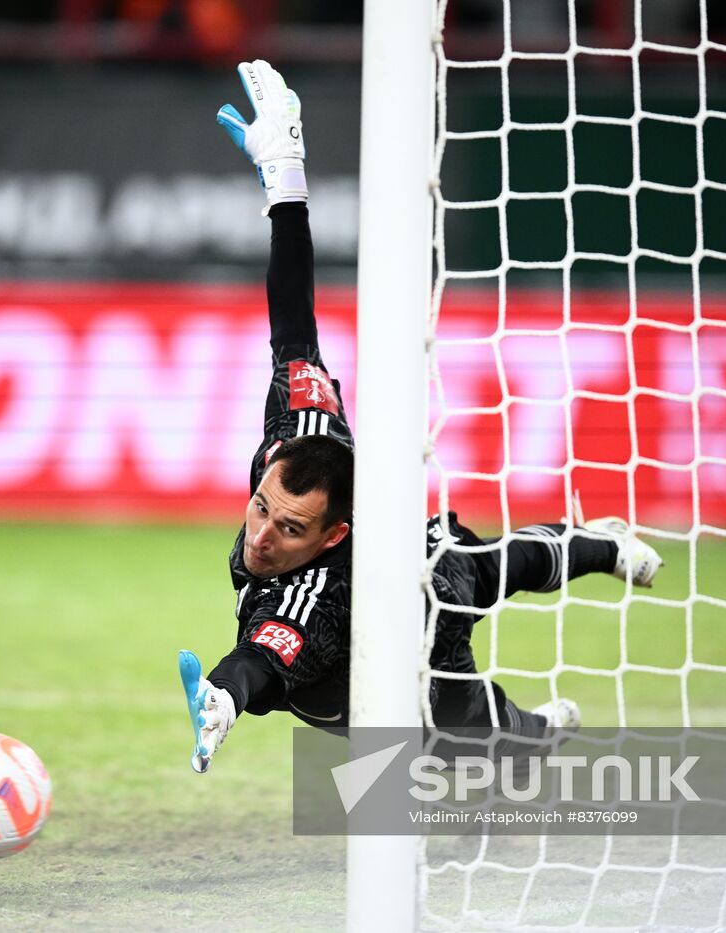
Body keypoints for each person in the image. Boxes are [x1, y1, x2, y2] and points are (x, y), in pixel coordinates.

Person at [177, 60, 663, 773]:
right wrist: (285, 177)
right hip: (362, 625)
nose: (261, 535)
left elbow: (262, 653)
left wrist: (226, 692)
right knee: (473, 657)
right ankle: (539, 690)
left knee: (466, 647)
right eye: (262, 508)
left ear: (334, 531)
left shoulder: (317, 592)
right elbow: (293, 323)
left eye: (288, 528)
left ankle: (588, 569)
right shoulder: (300, 430)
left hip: (414, 611)